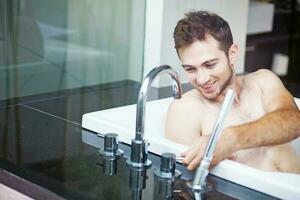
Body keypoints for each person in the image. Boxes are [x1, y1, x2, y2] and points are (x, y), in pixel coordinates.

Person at [165, 10, 300, 173]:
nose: (202, 79)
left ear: (232, 54)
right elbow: (186, 182)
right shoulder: (186, 109)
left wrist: (230, 139)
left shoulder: (263, 81)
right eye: (190, 69)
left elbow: (294, 121)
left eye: (209, 65)